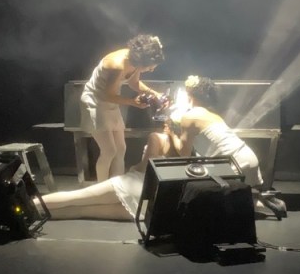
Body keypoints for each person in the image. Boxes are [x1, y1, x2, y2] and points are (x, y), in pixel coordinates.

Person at [46, 76, 286, 221]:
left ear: (191, 96)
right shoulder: (210, 114)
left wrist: (171, 130)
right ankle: (259, 201)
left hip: (231, 162)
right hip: (247, 156)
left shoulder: (188, 118)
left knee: (219, 194)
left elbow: (183, 153)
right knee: (230, 196)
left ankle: (255, 202)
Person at [80, 34, 165, 182]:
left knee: (120, 148)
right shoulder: (116, 65)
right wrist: (132, 102)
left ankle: (117, 186)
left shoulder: (135, 61)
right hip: (95, 102)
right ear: (142, 60)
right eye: (150, 67)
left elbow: (134, 83)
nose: (151, 70)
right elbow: (107, 95)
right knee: (109, 150)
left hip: (111, 102)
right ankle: (101, 187)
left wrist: (155, 94)